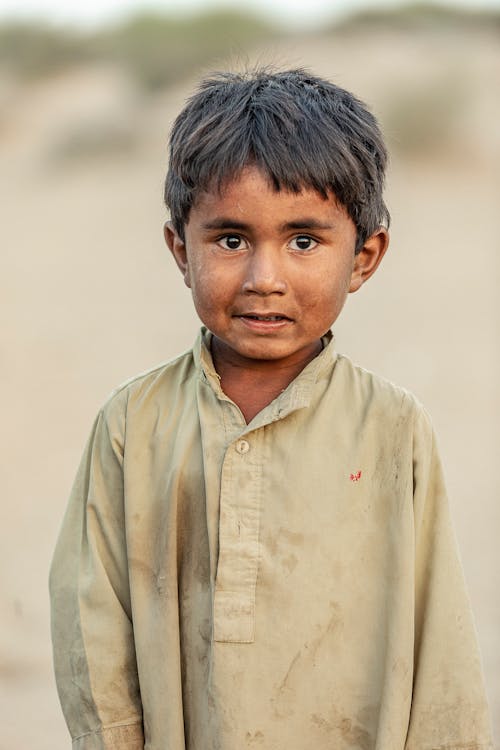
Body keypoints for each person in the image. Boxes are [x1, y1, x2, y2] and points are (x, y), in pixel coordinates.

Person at [49, 68, 493, 750]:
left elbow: (439, 641)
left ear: (363, 258)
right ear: (181, 250)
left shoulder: (391, 428)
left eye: (304, 241)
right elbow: (91, 620)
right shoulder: (134, 423)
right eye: (230, 240)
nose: (265, 278)